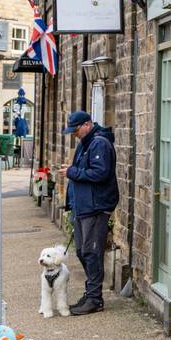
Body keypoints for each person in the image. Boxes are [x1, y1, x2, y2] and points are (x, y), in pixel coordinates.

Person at [61, 110, 118, 315]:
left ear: (87, 124)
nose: (74, 134)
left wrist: (72, 172)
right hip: (83, 206)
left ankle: (95, 298)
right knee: (81, 251)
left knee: (91, 252)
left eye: (76, 130)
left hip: (95, 206)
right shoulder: (85, 144)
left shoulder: (99, 143)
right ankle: (91, 292)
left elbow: (100, 173)